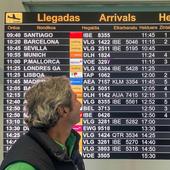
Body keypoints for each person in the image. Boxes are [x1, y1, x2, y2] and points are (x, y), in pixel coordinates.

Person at [1, 76, 85, 170]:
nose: (80, 104)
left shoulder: (69, 146)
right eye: (75, 100)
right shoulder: (23, 166)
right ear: (62, 110)